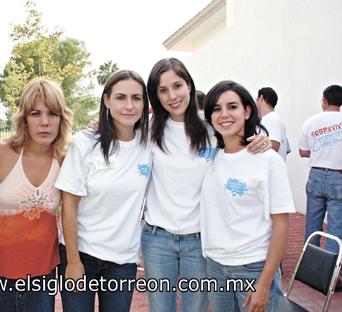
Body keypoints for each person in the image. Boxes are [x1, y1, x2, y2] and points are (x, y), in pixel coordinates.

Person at [141, 58, 271, 312]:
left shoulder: (211, 126)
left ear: (189, 85)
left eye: (177, 86)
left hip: (200, 241)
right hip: (157, 239)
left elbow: (244, 138)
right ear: (155, 95)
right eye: (163, 90)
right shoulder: (147, 129)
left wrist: (263, 139)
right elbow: (116, 131)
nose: (172, 96)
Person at [0, 78, 73, 312]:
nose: (45, 122)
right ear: (24, 118)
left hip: (41, 272)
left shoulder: (66, 159)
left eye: (53, 114)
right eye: (35, 113)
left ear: (62, 118)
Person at [56, 70, 152, 312]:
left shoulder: (151, 143)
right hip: (82, 253)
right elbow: (69, 205)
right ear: (107, 100)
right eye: (120, 98)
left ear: (145, 104)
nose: (129, 106)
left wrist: (258, 140)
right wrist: (74, 260)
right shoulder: (85, 142)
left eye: (136, 98)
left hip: (123, 259)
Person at [202, 80, 294, 312]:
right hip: (214, 265)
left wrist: (264, 283)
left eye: (232, 106)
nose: (224, 115)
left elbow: (281, 226)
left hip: (252, 267)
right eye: (216, 108)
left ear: (247, 110)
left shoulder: (268, 160)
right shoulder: (208, 157)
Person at [299, 84, 342, 290]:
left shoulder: (311, 121)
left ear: (324, 100)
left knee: (312, 225)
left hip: (315, 175)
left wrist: (319, 153)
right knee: (335, 229)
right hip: (339, 178)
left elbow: (302, 151)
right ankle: (330, 277)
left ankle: (308, 270)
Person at [257, 87, 291, 160]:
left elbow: (274, 146)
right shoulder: (274, 118)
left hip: (269, 169)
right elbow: (287, 149)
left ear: (261, 98)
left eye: (256, 99)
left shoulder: (272, 118)